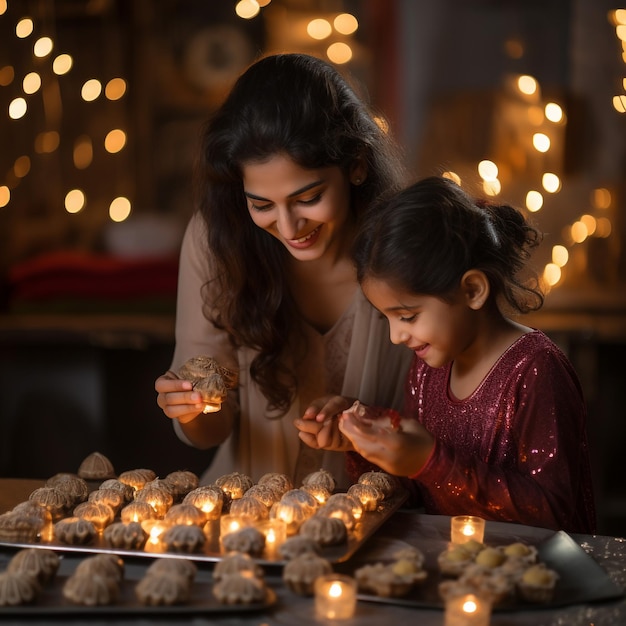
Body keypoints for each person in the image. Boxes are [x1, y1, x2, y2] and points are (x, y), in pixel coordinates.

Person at [154, 53, 413, 488]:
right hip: (245, 514)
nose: (290, 228)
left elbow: (456, 420)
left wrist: (370, 424)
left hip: (382, 519)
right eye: (262, 205)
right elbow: (208, 432)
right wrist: (192, 410)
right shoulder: (216, 240)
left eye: (308, 198)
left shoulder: (408, 242)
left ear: (357, 165)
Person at [296, 175, 596, 533]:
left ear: (472, 290)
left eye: (407, 316)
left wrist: (430, 461)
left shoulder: (536, 370)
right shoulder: (428, 369)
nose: (395, 336)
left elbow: (552, 512)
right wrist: (362, 439)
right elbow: (417, 490)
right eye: (386, 318)